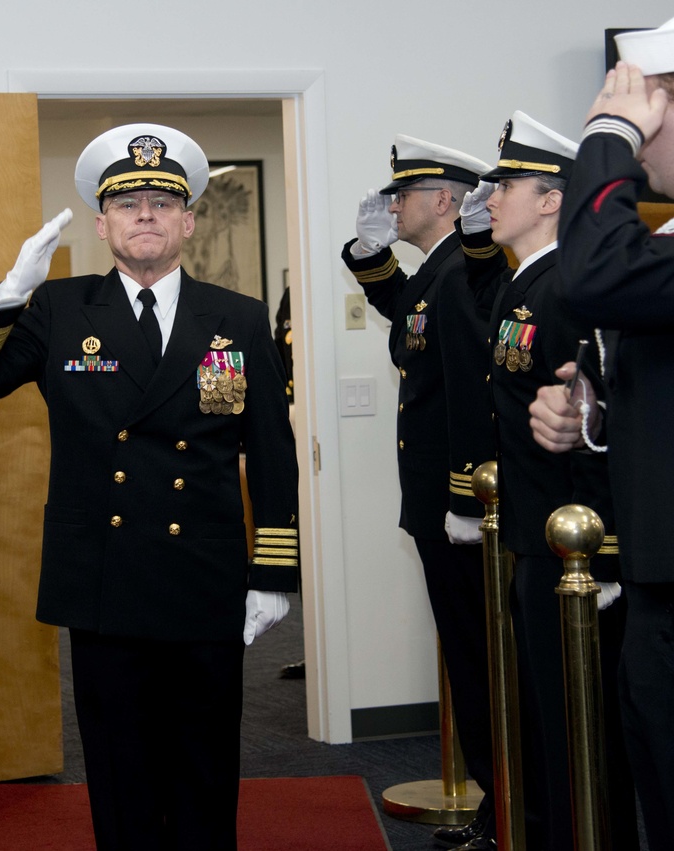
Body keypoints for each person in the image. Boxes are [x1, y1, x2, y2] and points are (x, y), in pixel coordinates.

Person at [0, 123, 298, 851]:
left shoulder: (237, 317)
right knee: (119, 766)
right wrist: (7, 295)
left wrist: (275, 570)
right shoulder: (60, 309)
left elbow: (271, 450)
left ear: (188, 221)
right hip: (105, 578)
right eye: (128, 203)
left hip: (203, 573)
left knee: (203, 764)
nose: (145, 215)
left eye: (162, 203)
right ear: (102, 224)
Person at [457, 111, 637, 850]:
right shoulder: (522, 284)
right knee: (546, 725)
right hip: (536, 537)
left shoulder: (568, 287)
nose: (491, 196)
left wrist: (603, 551)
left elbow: (595, 423)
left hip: (576, 553)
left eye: (507, 183)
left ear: (554, 197)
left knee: (582, 739)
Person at [527, 18, 674, 846]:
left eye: (648, 106)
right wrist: (596, 416)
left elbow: (594, 275)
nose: (639, 137)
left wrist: (608, 140)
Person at [341, 137, 497, 850]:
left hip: (457, 508)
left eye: (404, 195)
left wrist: (464, 499)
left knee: (479, 664)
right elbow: (410, 326)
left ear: (445, 202)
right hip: (441, 505)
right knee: (470, 661)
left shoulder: (463, 274)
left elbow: (470, 393)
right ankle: (501, 805)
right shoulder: (441, 272)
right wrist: (368, 254)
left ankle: (504, 811)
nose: (392, 205)